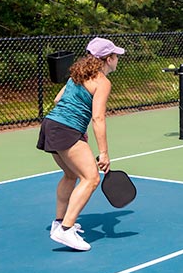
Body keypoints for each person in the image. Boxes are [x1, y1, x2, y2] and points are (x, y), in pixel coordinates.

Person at [37, 37, 125, 251]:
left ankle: (58, 224)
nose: (117, 60)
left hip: (50, 125)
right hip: (65, 129)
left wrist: (76, 128)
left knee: (70, 175)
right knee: (91, 178)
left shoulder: (77, 74)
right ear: (108, 59)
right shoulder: (102, 82)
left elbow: (58, 100)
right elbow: (98, 118)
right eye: (115, 56)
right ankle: (66, 230)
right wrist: (103, 153)